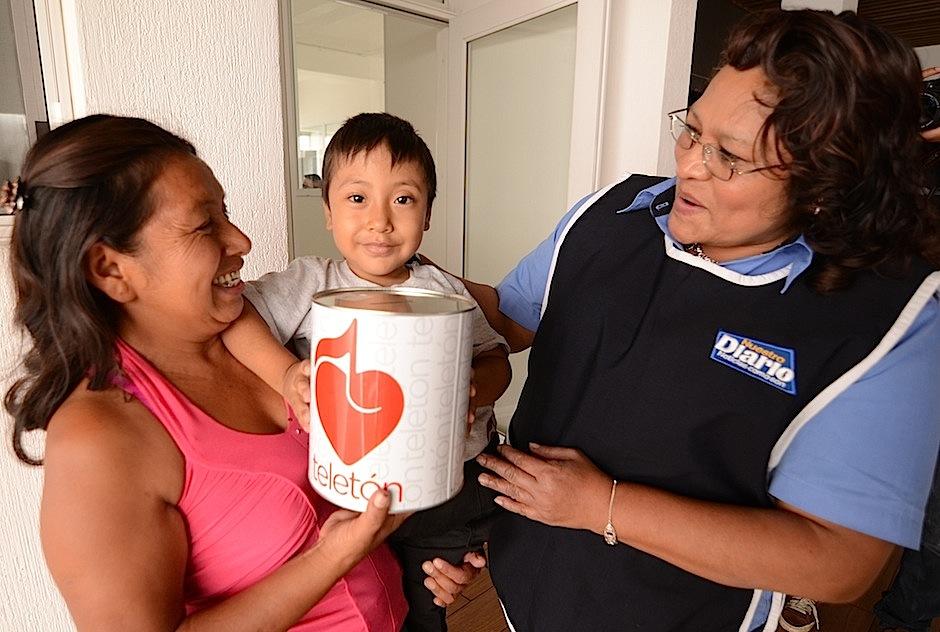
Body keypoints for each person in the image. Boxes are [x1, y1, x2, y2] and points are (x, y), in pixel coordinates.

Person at [451, 9, 940, 632]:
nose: (691, 165)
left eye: (730, 156)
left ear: (825, 182)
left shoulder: (886, 323)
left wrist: (601, 505)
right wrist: (399, 275)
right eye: (692, 131)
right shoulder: (610, 215)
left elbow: (838, 562)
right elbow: (507, 319)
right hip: (527, 589)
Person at [2, 114, 480, 631]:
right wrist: (333, 558)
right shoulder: (101, 438)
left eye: (226, 212)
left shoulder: (262, 343)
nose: (242, 240)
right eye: (205, 224)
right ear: (112, 269)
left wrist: (430, 549)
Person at [220, 112, 511, 632]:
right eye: (357, 199)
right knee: (361, 598)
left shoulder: (445, 291)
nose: (380, 220)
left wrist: (473, 389)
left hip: (444, 494)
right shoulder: (310, 282)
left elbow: (496, 359)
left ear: (427, 216)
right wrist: (287, 374)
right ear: (328, 210)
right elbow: (237, 319)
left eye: (403, 199)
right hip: (346, 486)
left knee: (427, 605)